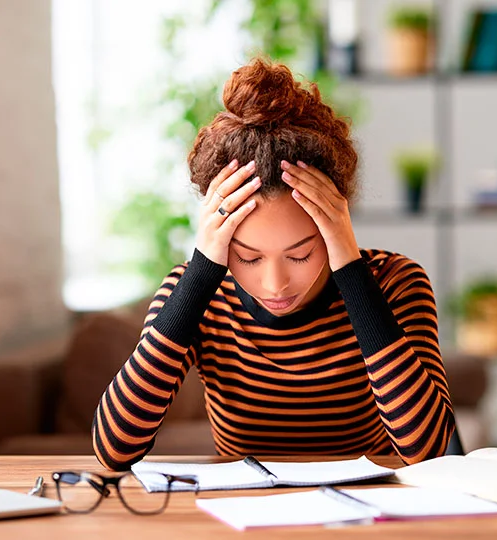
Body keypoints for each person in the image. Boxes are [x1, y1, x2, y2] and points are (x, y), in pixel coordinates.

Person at [93, 58, 455, 471]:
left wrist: (350, 269)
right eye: (248, 256)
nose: (275, 284)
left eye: (300, 254)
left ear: (337, 223)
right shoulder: (195, 293)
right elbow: (114, 449)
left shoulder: (394, 283)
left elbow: (426, 451)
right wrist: (200, 273)